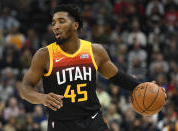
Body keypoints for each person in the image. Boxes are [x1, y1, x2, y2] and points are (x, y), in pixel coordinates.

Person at [18, 4, 164, 131]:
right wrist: (42, 98)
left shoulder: (94, 51)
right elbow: (25, 88)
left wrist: (143, 86)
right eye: (54, 22)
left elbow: (117, 76)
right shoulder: (44, 55)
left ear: (75, 25)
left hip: (92, 121)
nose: (55, 26)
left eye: (61, 21)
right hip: (61, 124)